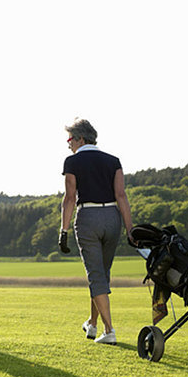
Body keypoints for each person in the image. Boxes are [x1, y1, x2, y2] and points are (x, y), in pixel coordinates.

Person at [59, 118, 133, 345]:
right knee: (102, 273)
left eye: (70, 139)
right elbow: (121, 195)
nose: (68, 144)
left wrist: (63, 230)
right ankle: (92, 323)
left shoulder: (72, 161)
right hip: (112, 218)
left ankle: (109, 330)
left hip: (88, 218)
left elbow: (70, 197)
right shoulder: (113, 161)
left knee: (95, 275)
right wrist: (130, 229)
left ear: (81, 138)